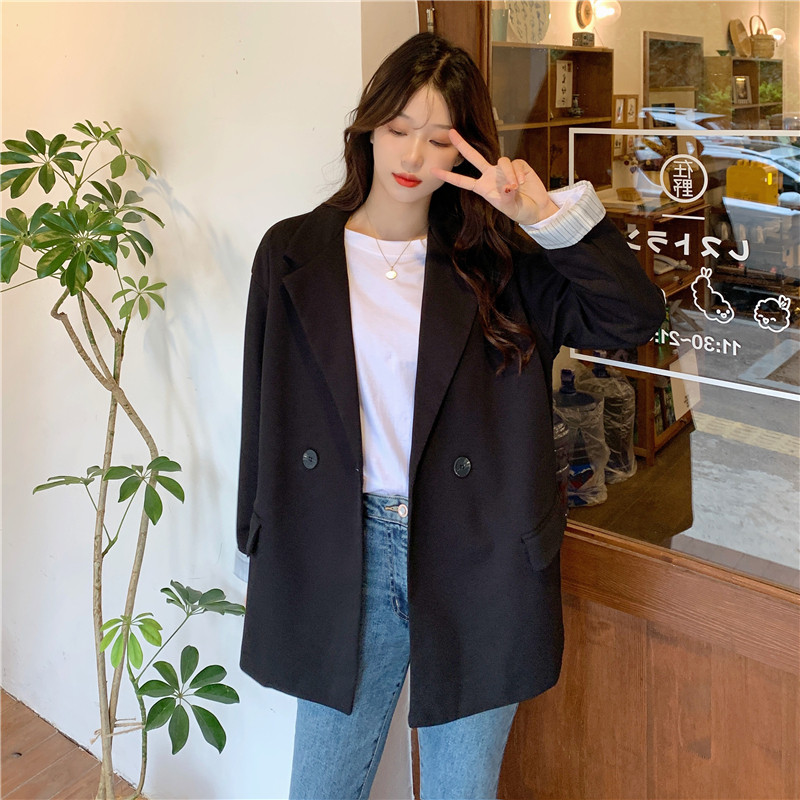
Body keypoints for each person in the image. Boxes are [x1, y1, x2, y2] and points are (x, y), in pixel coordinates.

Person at [236, 32, 664, 799]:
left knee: (460, 791)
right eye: (398, 127)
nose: (412, 154)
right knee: (319, 788)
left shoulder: (500, 264)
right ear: (367, 126)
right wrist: (259, 542)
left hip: (477, 553)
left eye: (439, 139)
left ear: (467, 149)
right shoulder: (292, 252)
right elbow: (262, 409)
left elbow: (631, 317)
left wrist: (542, 214)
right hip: (341, 551)